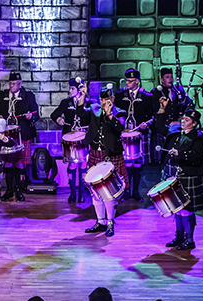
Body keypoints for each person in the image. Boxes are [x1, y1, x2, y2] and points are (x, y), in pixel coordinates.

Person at [0, 72, 39, 201]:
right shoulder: (0, 96)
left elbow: (36, 114)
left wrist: (30, 116)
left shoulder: (28, 97)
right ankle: (9, 190)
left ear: (20, 84)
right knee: (8, 163)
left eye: (14, 84)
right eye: (10, 83)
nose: (12, 86)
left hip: (22, 134)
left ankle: (19, 191)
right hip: (5, 135)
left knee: (20, 164)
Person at [83, 84, 127, 237]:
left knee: (109, 192)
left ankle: (110, 222)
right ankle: (100, 221)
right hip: (96, 154)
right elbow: (82, 114)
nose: (104, 103)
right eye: (102, 100)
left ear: (113, 99)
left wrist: (110, 115)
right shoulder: (95, 109)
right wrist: (82, 97)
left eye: (107, 100)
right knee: (96, 191)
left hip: (111, 155)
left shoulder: (119, 113)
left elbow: (121, 128)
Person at [161, 110, 203, 250]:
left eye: (187, 120)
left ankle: (189, 239)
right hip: (177, 175)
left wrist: (179, 153)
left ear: (194, 123)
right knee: (177, 208)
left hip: (190, 175)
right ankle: (179, 236)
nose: (183, 121)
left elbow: (196, 156)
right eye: (183, 119)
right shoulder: (177, 134)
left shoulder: (199, 137)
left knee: (187, 209)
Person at [115, 68, 155, 202]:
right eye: (126, 80)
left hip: (139, 134)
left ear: (137, 81)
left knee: (137, 164)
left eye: (131, 81)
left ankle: (136, 192)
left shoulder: (147, 96)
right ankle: (126, 190)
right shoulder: (120, 95)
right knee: (126, 164)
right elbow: (115, 111)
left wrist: (146, 124)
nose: (127, 83)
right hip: (124, 135)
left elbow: (152, 116)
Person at [50, 77, 92, 203]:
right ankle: (73, 193)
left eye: (72, 88)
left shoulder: (89, 103)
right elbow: (54, 114)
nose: (70, 90)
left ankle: (82, 193)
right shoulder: (66, 102)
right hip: (70, 136)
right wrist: (59, 120)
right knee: (72, 164)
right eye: (70, 88)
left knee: (83, 164)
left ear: (80, 90)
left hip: (83, 137)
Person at [151, 67, 195, 162]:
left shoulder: (178, 90)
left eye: (171, 77)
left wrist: (183, 117)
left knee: (176, 154)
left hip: (177, 127)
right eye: (167, 77)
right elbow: (154, 111)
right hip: (162, 127)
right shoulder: (156, 92)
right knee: (163, 157)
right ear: (162, 79)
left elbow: (189, 104)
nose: (170, 79)